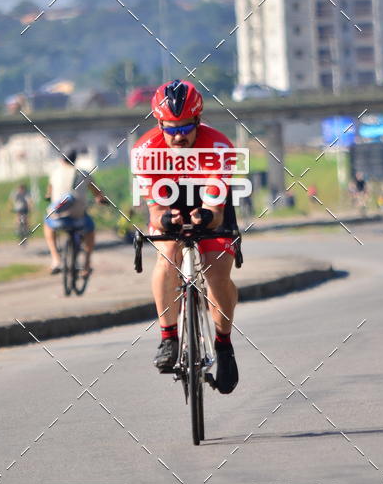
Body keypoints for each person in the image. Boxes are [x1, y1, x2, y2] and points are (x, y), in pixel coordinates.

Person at [132, 79, 239, 395]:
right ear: (159, 124)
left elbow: (215, 207)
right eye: (171, 128)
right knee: (167, 256)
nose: (178, 136)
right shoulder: (145, 151)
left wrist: (206, 216)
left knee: (217, 271)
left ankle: (223, 345)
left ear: (198, 120)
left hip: (208, 202)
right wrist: (166, 219)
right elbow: (155, 210)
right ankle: (168, 338)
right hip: (170, 202)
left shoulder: (219, 146)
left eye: (186, 128)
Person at [43, 150, 107, 276]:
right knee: (90, 229)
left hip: (58, 219)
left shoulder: (55, 173)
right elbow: (98, 194)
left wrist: (50, 197)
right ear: (75, 160)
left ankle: (56, 259)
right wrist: (101, 199)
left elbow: (48, 193)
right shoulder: (84, 174)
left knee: (47, 223)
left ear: (61, 160)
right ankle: (86, 265)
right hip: (79, 218)